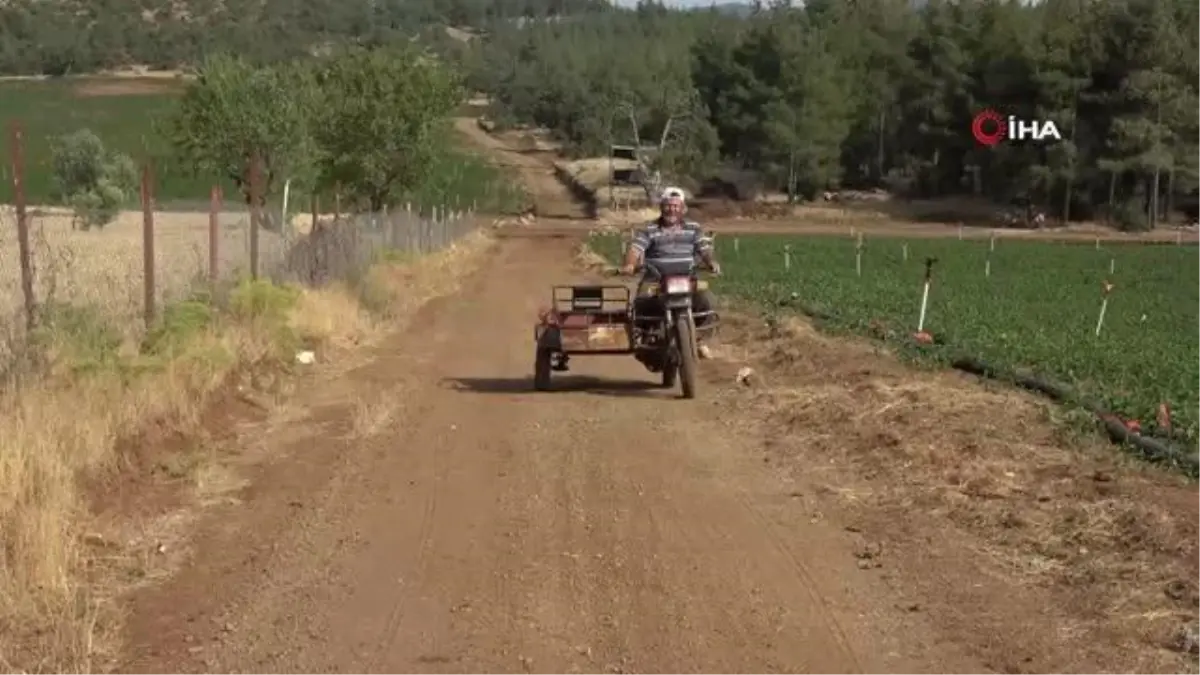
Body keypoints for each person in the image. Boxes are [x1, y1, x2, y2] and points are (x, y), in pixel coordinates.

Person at [620, 186, 721, 359]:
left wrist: (711, 262)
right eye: (668, 205)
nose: (671, 209)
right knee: (641, 304)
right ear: (661, 207)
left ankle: (699, 340)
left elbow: (704, 249)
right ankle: (645, 338)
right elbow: (635, 249)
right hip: (655, 280)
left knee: (707, 302)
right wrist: (630, 264)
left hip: (687, 278)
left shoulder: (694, 228)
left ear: (683, 208)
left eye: (676, 206)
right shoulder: (649, 229)